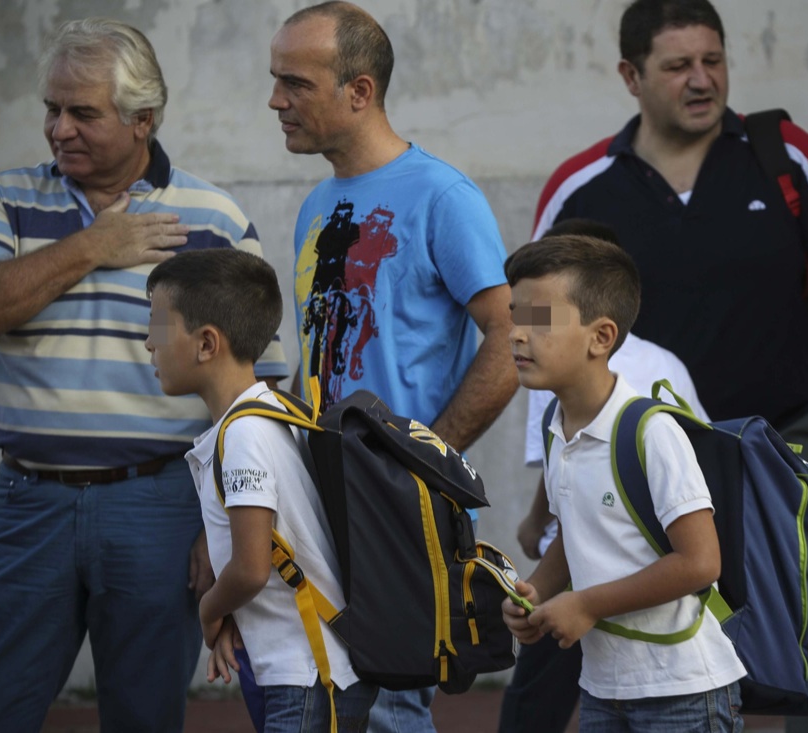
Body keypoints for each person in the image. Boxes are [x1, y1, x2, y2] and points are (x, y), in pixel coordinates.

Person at [532, 2, 808, 729]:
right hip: (637, 453)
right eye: (678, 66)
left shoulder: (780, 152)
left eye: (712, 60)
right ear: (631, 76)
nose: (701, 79)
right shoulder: (581, 184)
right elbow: (541, 316)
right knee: (588, 619)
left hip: (778, 439)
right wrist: (546, 471)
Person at [0, 18, 288, 732]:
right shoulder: (7, 198)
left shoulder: (213, 218)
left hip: (160, 505)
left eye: (83, 113)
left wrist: (220, 520)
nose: (59, 129)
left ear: (143, 120)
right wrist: (94, 245)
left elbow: (263, 386)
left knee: (145, 715)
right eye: (51, 109)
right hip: (28, 499)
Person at [268, 3, 518, 729]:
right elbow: (319, 352)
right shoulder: (316, 203)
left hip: (399, 515)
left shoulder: (444, 196)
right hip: (321, 505)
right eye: (275, 80)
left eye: (295, 83)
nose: (276, 101)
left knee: (389, 707)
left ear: (360, 91)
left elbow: (515, 332)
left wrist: (423, 465)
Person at [501, 234, 746, 732]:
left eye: (539, 319)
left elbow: (701, 562)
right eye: (515, 316)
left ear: (601, 337)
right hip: (602, 689)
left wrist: (586, 603)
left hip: (682, 691)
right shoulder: (555, 425)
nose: (517, 335)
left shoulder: (651, 432)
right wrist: (537, 592)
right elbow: (577, 532)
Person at [144, 248, 376, 732]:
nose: (148, 343)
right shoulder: (271, 411)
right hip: (312, 671)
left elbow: (250, 568)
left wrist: (209, 610)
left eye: (158, 327)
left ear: (206, 343)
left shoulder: (244, 434)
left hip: (307, 674)